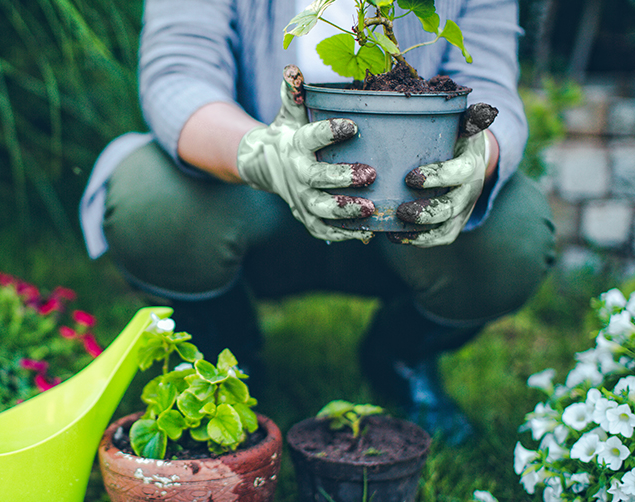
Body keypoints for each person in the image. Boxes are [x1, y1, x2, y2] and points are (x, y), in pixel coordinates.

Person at [78, 0, 556, 445]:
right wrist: (263, 155)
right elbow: (178, 76)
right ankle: (225, 344)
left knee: (513, 235)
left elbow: (489, 81)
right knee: (150, 200)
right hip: (248, 196)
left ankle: (401, 354)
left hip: (406, 199)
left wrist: (479, 154)